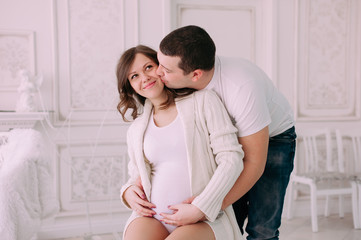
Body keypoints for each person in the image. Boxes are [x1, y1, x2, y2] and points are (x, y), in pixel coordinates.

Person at [155, 25, 297, 240]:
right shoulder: (176, 79)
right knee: (227, 223)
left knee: (262, 229)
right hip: (226, 143)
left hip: (274, 139)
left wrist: (203, 208)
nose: (158, 72)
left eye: (166, 69)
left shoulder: (241, 87)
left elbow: (254, 163)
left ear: (195, 75)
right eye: (159, 63)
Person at [116, 45, 244, 240]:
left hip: (203, 219)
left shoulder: (203, 102)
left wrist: (201, 207)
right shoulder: (136, 129)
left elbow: (231, 158)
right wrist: (127, 191)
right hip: (152, 218)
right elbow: (137, 174)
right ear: (130, 86)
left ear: (161, 67)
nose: (144, 78)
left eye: (148, 67)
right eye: (134, 76)